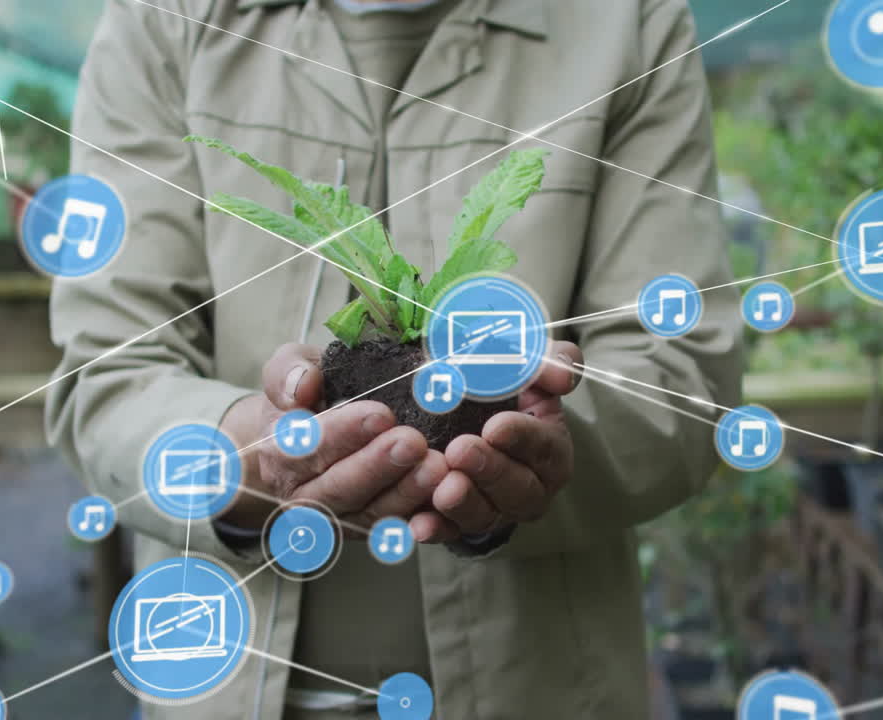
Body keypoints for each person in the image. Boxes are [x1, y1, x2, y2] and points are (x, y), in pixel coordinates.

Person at [44, 0, 742, 717]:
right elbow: (107, 373)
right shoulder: (164, 18)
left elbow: (679, 373)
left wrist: (543, 446)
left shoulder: (625, 20)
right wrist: (247, 455)